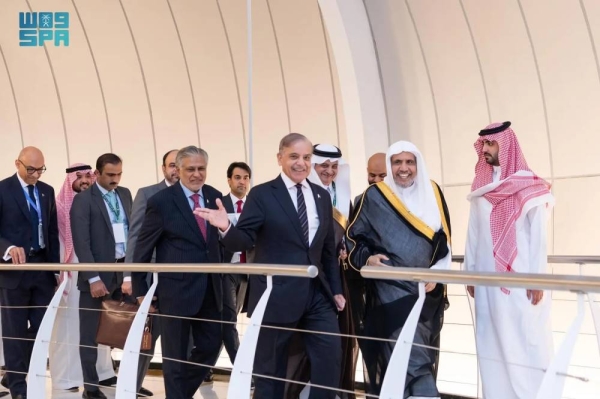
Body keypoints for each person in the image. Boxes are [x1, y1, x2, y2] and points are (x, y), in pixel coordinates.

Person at [196, 133, 346, 399]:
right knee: (270, 371)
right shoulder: (263, 194)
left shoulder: (322, 197)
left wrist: (335, 290)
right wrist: (226, 227)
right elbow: (243, 239)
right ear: (280, 158)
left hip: (317, 295)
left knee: (329, 361)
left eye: (307, 158)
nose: (301, 163)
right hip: (276, 294)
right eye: (294, 157)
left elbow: (326, 252)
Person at [346, 141, 451, 398]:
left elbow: (444, 240)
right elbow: (352, 239)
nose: (403, 168)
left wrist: (437, 272)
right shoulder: (374, 196)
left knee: (419, 354)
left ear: (418, 165)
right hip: (388, 291)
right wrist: (367, 258)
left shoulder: (433, 191)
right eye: (397, 162)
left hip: (427, 292)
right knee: (409, 359)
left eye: (409, 162)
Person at [464, 121, 554, 399]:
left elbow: (539, 238)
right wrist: (469, 273)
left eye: (492, 144)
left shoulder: (529, 185)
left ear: (506, 145)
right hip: (487, 285)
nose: (486, 149)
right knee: (491, 345)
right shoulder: (482, 187)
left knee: (525, 343)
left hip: (521, 282)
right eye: (484, 144)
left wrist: (536, 278)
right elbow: (474, 232)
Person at [132, 146, 224, 399]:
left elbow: (221, 243)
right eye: (190, 169)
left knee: (210, 346)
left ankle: (179, 394)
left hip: (210, 289)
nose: (197, 174)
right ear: (178, 170)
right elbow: (142, 247)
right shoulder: (161, 201)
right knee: (174, 356)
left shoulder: (216, 197)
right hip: (175, 291)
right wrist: (141, 290)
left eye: (201, 168)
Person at [71, 153, 133, 399]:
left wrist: (130, 273)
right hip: (97, 277)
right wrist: (93, 277)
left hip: (124, 272)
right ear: (97, 174)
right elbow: (81, 242)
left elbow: (133, 232)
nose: (115, 179)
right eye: (110, 175)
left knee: (126, 330)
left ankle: (130, 381)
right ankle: (91, 387)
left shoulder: (125, 194)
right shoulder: (84, 201)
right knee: (89, 334)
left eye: (119, 174)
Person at [50, 164, 116, 393]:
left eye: (88, 175)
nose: (85, 180)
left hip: (95, 271)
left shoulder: (99, 201)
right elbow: (58, 243)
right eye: (79, 177)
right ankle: (67, 378)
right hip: (68, 274)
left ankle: (103, 373)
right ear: (70, 181)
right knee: (69, 327)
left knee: (99, 323)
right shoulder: (59, 206)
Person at [0, 146, 59, 399]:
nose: (36, 174)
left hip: (42, 269)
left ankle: (13, 372)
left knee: (40, 328)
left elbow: (52, 231)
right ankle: (18, 389)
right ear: (17, 164)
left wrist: (56, 269)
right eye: (31, 169)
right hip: (13, 273)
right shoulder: (2, 190)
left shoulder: (47, 191)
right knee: (13, 331)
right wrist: (9, 248)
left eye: (40, 169)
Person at [123, 149, 179, 397]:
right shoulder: (147, 194)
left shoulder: (196, 195)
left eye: (181, 164)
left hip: (182, 281)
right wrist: (128, 276)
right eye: (172, 165)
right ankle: (129, 388)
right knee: (146, 339)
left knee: (179, 341)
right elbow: (135, 235)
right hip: (151, 280)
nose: (176, 169)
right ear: (163, 167)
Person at [204, 161, 252, 383]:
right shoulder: (219, 204)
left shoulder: (254, 205)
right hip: (224, 270)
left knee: (225, 322)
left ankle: (204, 367)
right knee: (230, 320)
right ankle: (243, 371)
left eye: (245, 178)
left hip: (247, 270)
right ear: (229, 180)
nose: (242, 182)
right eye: (238, 177)